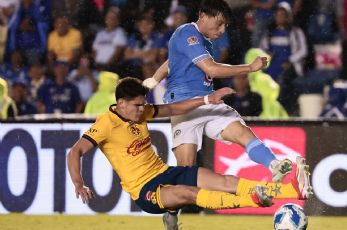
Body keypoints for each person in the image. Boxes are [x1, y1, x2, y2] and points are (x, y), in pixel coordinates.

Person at [67, 78, 311, 226]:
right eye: (137, 105)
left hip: (165, 172)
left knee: (223, 180)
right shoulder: (106, 123)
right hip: (145, 191)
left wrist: (206, 100)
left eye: (144, 104)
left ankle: (292, 191)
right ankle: (254, 200)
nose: (143, 110)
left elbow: (174, 107)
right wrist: (79, 183)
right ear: (121, 104)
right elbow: (75, 152)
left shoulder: (140, 112)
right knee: (191, 193)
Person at [143, 0, 295, 182]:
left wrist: (154, 79)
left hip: (209, 101)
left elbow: (172, 61)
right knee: (186, 171)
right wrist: (249, 68)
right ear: (203, 16)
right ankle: (172, 210)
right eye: (219, 23)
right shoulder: (187, 32)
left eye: (225, 25)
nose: (222, 30)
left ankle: (275, 165)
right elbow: (212, 69)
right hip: (184, 107)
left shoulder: (205, 42)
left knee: (241, 132)